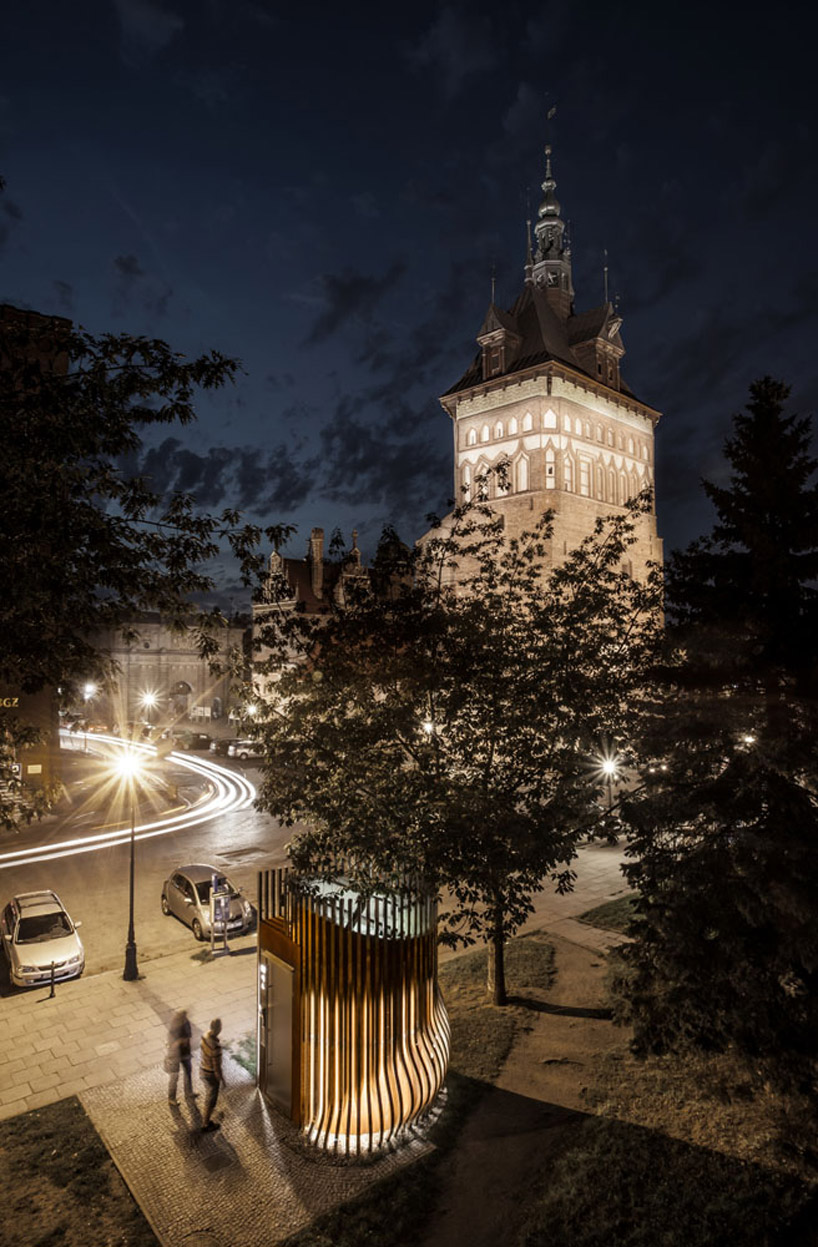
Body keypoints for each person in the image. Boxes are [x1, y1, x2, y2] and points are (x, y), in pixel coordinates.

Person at [200, 1017, 225, 1132]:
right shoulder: (216, 1047)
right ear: (219, 1029)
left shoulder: (205, 1036)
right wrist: (222, 1079)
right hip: (210, 1074)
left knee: (209, 1094)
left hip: (202, 1069)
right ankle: (206, 1124)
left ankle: (206, 1117)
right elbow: (217, 1068)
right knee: (211, 1100)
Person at [167, 1009, 195, 1104]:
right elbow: (172, 1044)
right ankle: (171, 1098)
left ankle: (189, 1092)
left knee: (188, 1072)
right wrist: (181, 1041)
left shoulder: (186, 1023)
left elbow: (188, 1037)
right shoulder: (174, 1028)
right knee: (174, 1077)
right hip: (176, 1055)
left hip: (185, 1053)